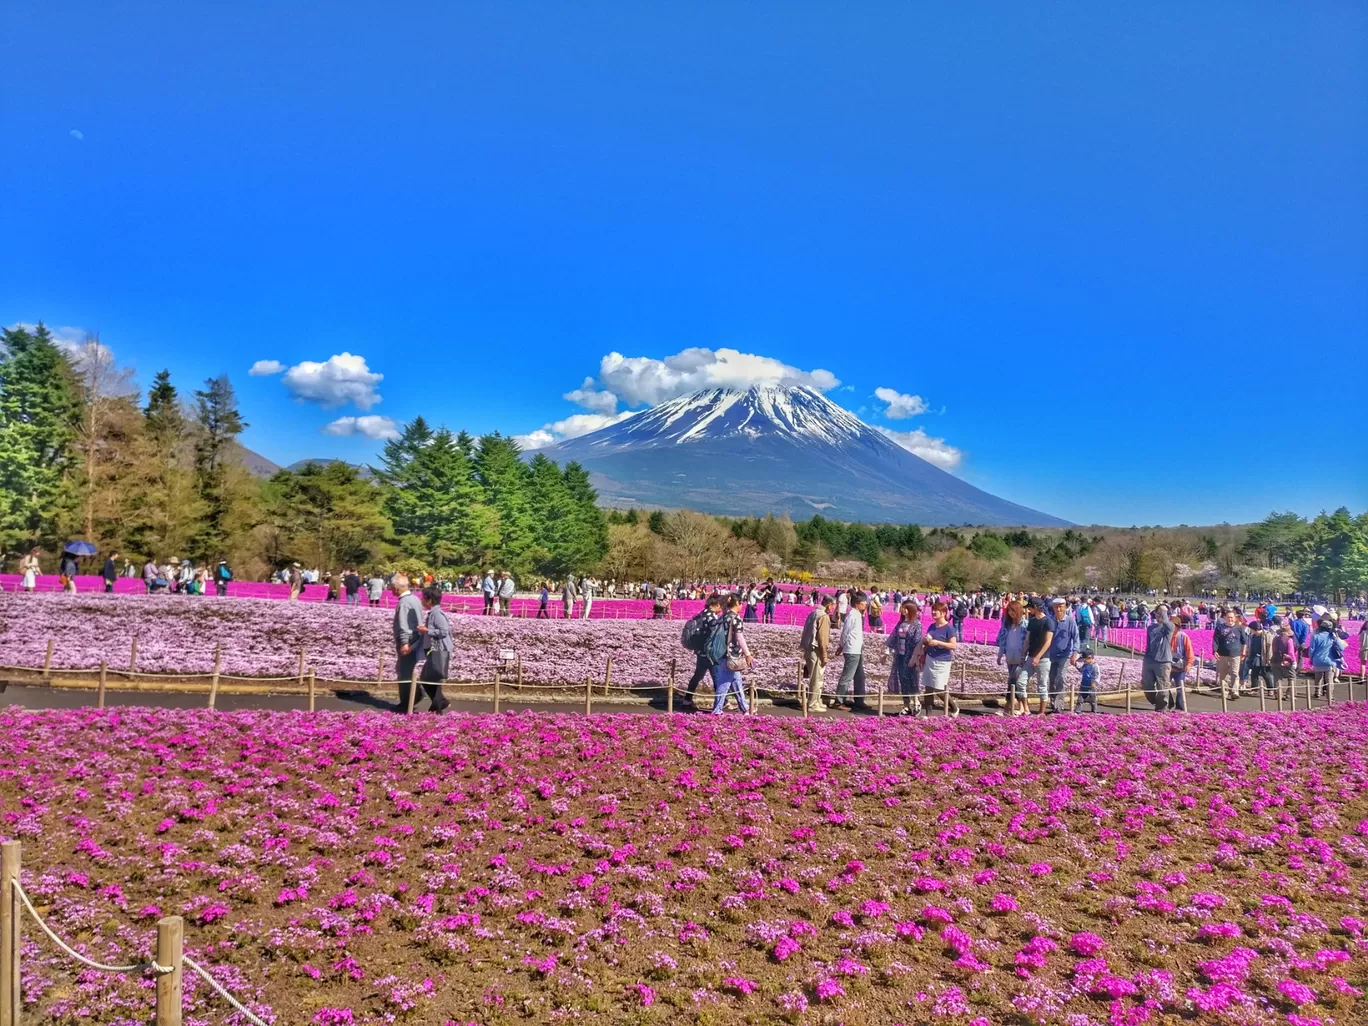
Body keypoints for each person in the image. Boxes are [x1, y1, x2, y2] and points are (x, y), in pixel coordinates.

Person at [413, 585, 452, 714]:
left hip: (438, 650)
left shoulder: (437, 614)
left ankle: (439, 705)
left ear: (429, 600)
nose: (421, 601)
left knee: (428, 678)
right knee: (430, 679)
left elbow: (444, 631)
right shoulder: (433, 613)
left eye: (423, 598)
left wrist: (427, 630)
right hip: (432, 649)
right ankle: (438, 706)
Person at [683, 594, 724, 709]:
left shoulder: (702, 614)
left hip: (701, 651)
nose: (721, 609)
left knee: (698, 675)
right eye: (721, 606)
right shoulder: (712, 617)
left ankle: (687, 700)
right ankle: (722, 702)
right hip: (709, 652)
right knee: (717, 676)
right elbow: (715, 634)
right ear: (717, 605)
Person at [919, 601, 960, 717]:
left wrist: (937, 643)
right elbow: (927, 639)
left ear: (943, 613)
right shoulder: (932, 626)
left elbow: (953, 645)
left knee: (939, 688)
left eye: (935, 611)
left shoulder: (949, 629)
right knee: (928, 688)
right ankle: (928, 714)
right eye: (932, 610)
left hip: (942, 661)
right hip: (930, 658)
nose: (933, 613)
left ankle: (954, 707)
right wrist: (926, 644)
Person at [391, 573, 424, 712]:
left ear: (396, 588)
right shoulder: (415, 599)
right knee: (407, 669)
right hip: (416, 638)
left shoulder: (404, 602)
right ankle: (412, 697)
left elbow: (403, 624)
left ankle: (408, 700)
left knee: (404, 671)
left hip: (408, 640)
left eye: (391, 587)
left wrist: (404, 642)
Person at [886, 599, 923, 716]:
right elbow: (893, 637)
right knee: (902, 681)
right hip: (900, 656)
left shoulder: (917, 624)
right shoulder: (900, 623)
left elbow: (917, 642)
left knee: (912, 680)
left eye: (905, 608)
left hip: (910, 657)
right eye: (902, 608)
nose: (903, 610)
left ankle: (916, 702)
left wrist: (915, 657)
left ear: (911, 610)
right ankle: (906, 705)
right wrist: (886, 651)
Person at [833, 592, 869, 711]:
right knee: (847, 676)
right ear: (857, 604)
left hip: (857, 649)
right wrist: (841, 645)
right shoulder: (852, 615)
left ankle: (859, 700)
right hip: (852, 649)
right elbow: (845, 632)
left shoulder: (858, 614)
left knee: (860, 676)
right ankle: (838, 702)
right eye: (864, 603)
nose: (865, 605)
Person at [800, 596, 835, 714]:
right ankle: (812, 704)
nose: (833, 608)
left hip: (808, 648)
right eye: (833, 606)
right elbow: (823, 638)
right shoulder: (823, 616)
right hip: (816, 650)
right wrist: (824, 655)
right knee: (817, 677)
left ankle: (817, 700)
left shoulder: (813, 613)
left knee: (815, 676)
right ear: (829, 605)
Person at [995, 599, 1030, 716]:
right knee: (1014, 682)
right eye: (1009, 611)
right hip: (1010, 656)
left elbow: (1028, 642)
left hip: (1021, 658)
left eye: (1013, 611)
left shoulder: (1025, 624)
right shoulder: (1007, 625)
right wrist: (1000, 654)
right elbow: (1002, 641)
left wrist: (1025, 655)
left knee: (1012, 682)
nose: (1011, 614)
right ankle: (1022, 708)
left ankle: (1007, 708)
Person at [1046, 598, 1079, 713]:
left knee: (1061, 678)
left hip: (1064, 655)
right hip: (1051, 654)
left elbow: (1076, 638)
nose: (1059, 609)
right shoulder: (1050, 620)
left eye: (1061, 606)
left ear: (1065, 607)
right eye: (1056, 606)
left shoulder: (1070, 621)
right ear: (1053, 608)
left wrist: (1075, 653)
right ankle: (1053, 700)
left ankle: (1059, 706)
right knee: (1051, 678)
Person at [1141, 605, 1175, 711]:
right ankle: (1159, 702)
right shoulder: (1151, 627)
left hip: (1163, 661)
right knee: (1147, 684)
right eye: (1158, 612)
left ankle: (1162, 709)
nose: (1160, 614)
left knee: (1163, 686)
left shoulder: (1169, 626)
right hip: (1149, 660)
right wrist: (1145, 657)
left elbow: (1166, 622)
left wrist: (1163, 611)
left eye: (1163, 613)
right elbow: (1148, 643)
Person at [1024, 599, 1054, 714]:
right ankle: (1026, 709)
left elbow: (1048, 642)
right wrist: (1023, 653)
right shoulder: (1031, 621)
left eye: (1030, 607)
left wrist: (1038, 656)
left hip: (1043, 658)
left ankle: (1041, 712)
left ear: (1036, 607)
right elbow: (1027, 639)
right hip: (1030, 656)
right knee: (1021, 681)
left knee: (1042, 685)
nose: (1028, 609)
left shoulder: (1048, 622)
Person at [1308, 617, 1346, 700]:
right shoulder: (1332, 637)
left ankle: (1317, 692)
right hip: (1329, 661)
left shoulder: (1315, 636)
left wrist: (1311, 658)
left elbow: (1311, 650)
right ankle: (1330, 696)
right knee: (1329, 679)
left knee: (1318, 678)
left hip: (1317, 660)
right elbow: (1341, 648)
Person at [1213, 609, 1246, 701]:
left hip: (1235, 654)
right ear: (1225, 618)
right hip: (1222, 654)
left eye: (1231, 617)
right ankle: (1225, 691)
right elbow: (1215, 640)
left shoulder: (1240, 628)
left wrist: (1243, 652)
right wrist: (1214, 651)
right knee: (1223, 673)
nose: (1230, 619)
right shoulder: (1219, 628)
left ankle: (1235, 691)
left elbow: (1244, 642)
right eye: (1228, 617)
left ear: (1235, 619)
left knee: (1235, 673)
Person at [1169, 618, 1194, 712]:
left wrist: (1189, 664)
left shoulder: (1183, 637)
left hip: (1180, 667)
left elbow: (1189, 651)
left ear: (1178, 626)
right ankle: (1168, 704)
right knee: (1163, 686)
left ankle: (1179, 707)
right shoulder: (1165, 635)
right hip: (1167, 666)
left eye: (1173, 625)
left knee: (1180, 687)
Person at [1244, 620, 1274, 697]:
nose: (1250, 630)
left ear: (1255, 629)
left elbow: (1269, 648)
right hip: (1254, 657)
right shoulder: (1253, 635)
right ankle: (1254, 689)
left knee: (1266, 673)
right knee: (1254, 673)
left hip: (1264, 657)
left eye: (1251, 629)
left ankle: (1271, 689)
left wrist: (1269, 659)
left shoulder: (1266, 635)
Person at [1272, 620, 1298, 699]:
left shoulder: (1275, 639)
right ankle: (1290, 694)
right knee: (1292, 677)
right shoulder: (1289, 640)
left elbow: (1273, 650)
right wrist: (1293, 662)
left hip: (1276, 660)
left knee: (1277, 678)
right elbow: (1291, 653)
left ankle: (1278, 695)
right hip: (1286, 661)